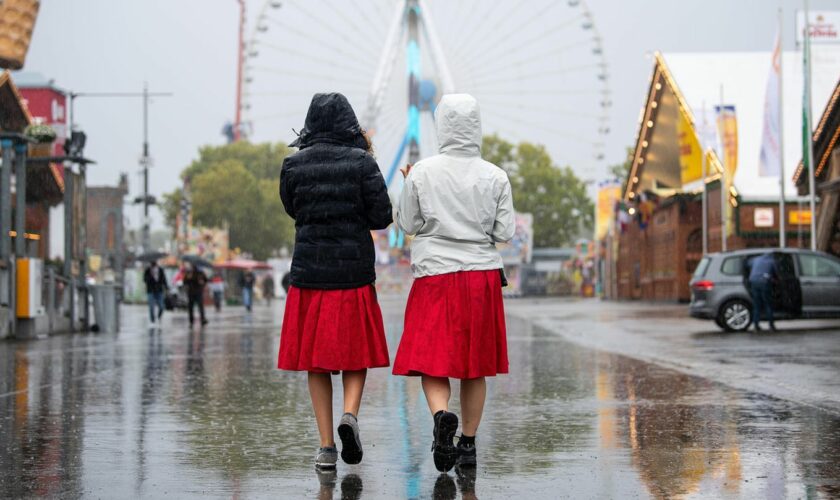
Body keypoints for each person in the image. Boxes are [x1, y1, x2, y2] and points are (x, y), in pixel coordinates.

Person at [393, 94, 515, 472]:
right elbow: (505, 230)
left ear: (441, 125)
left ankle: (442, 414)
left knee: (434, 361)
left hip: (435, 276)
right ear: (476, 126)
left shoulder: (423, 173)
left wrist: (408, 184)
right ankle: (469, 442)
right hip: (481, 278)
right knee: (474, 366)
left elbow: (408, 225)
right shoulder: (495, 175)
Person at [277, 92, 393, 469]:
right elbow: (381, 217)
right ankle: (350, 415)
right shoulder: (362, 164)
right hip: (353, 274)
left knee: (317, 361)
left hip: (310, 273)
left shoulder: (293, 166)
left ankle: (326, 447)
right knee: (354, 353)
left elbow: (294, 209)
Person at [748, 252, 777, 331]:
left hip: (753, 282)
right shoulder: (772, 261)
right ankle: (771, 325)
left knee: (757, 305)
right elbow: (776, 273)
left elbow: (747, 264)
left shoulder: (756, 259)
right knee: (768, 304)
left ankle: (756, 325)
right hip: (764, 282)